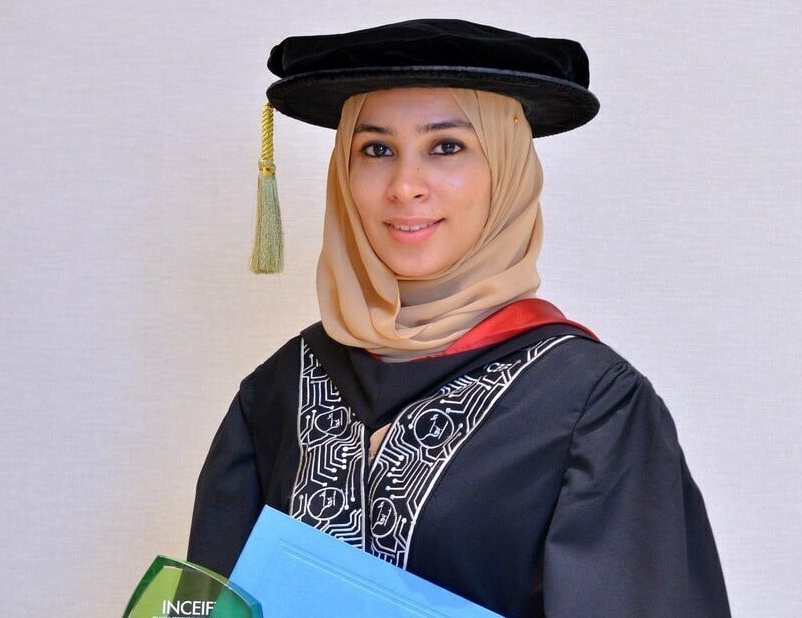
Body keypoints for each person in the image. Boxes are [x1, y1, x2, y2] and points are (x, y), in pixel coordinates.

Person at [187, 19, 731, 618]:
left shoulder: (592, 406)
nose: (405, 186)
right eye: (376, 149)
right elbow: (202, 602)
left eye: (446, 147)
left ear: (508, 169)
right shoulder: (279, 391)